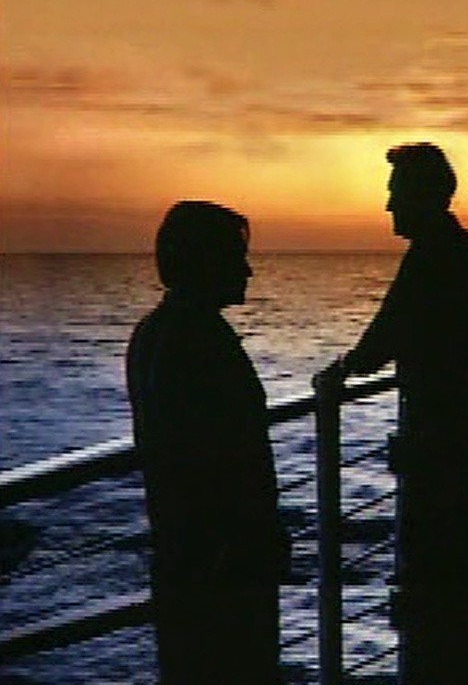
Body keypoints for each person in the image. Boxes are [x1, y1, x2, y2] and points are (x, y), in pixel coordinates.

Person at [330, 142, 468, 683]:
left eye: (396, 192)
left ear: (424, 196)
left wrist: (340, 373)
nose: (388, 205)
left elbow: (381, 341)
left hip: (441, 460)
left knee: (434, 595)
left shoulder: (430, 260)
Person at [126, 200, 289, 684]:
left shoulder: (153, 333)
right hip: (223, 564)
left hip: (183, 556)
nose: (247, 270)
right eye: (236, 257)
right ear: (206, 261)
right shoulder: (200, 340)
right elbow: (217, 456)